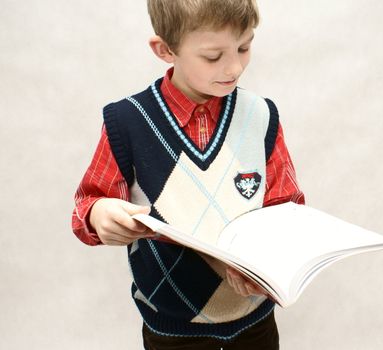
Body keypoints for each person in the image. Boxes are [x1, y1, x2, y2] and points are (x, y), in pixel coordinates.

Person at [71, 0, 305, 349]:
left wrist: (267, 257)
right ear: (165, 49)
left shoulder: (260, 115)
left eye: (244, 46)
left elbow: (285, 205)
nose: (235, 66)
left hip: (255, 321)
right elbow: (88, 203)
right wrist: (100, 213)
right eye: (213, 56)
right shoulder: (128, 122)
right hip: (172, 329)